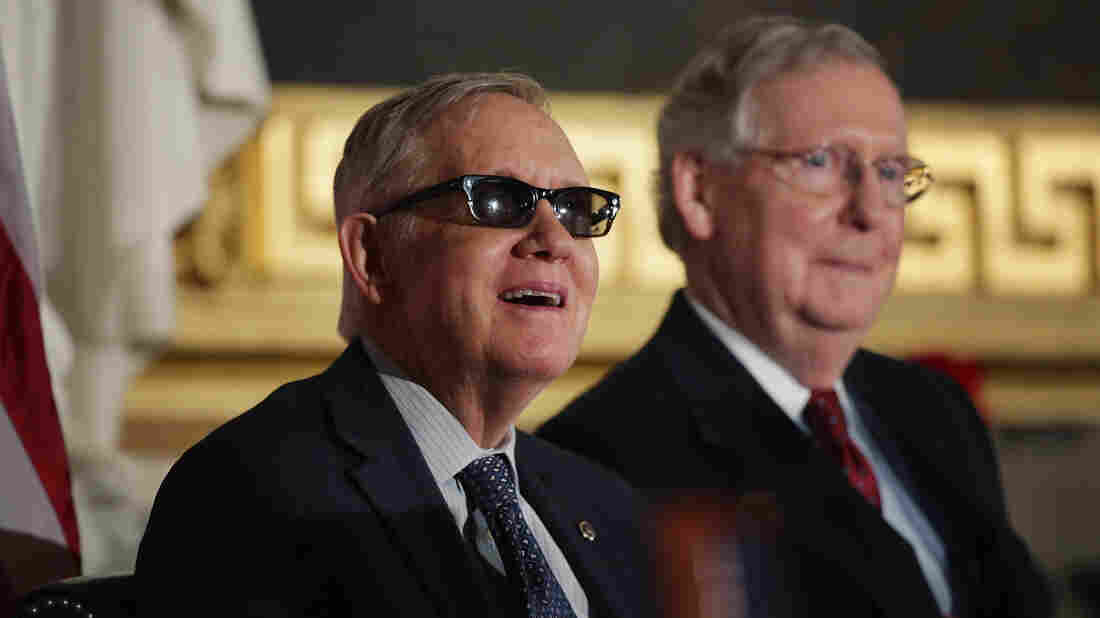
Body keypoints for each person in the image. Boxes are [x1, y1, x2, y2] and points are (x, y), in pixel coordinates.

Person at [538, 16, 1052, 618]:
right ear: (699, 190)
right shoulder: (597, 463)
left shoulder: (935, 412)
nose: (869, 212)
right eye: (820, 163)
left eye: (890, 172)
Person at [136, 72, 653, 618]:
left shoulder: (607, 505)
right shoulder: (252, 492)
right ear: (371, 256)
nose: (555, 241)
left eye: (575, 209)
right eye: (499, 201)